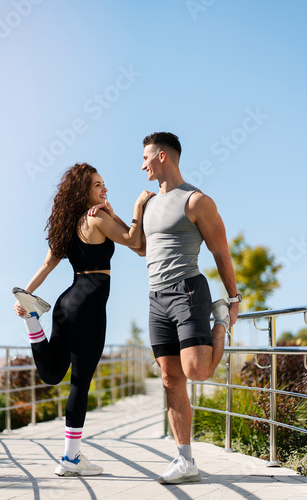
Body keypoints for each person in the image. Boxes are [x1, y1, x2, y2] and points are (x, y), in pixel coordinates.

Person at [12, 163, 153, 477]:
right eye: (97, 185)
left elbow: (49, 263)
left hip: (66, 301)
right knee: (80, 382)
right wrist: (138, 206)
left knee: (51, 374)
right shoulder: (97, 218)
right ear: (84, 191)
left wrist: (24, 293)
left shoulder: (71, 223)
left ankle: (33, 321)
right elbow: (134, 240)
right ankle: (71, 458)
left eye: (104, 184)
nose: (104, 189)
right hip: (89, 304)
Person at [138, 132, 241, 484]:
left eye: (147, 157)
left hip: (188, 291)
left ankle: (221, 322)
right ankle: (185, 460)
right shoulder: (150, 204)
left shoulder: (196, 201)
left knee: (196, 371)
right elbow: (141, 247)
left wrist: (234, 298)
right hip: (156, 297)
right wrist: (134, 209)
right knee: (170, 379)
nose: (143, 164)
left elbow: (221, 251)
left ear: (163, 156)